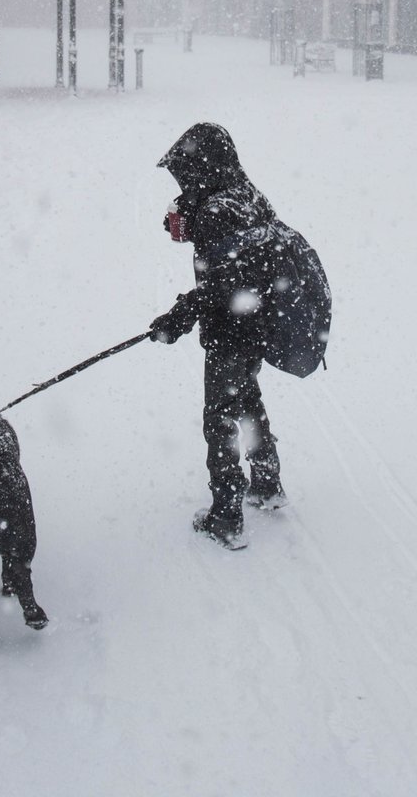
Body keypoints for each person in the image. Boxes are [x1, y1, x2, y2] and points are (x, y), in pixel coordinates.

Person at [149, 122, 287, 550]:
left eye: (186, 172)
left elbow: (221, 281)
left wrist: (178, 316)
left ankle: (226, 517)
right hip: (258, 322)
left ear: (201, 164)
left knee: (221, 420)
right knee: (247, 402)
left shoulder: (216, 210)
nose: (183, 182)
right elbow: (250, 260)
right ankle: (266, 484)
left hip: (231, 328)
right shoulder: (248, 194)